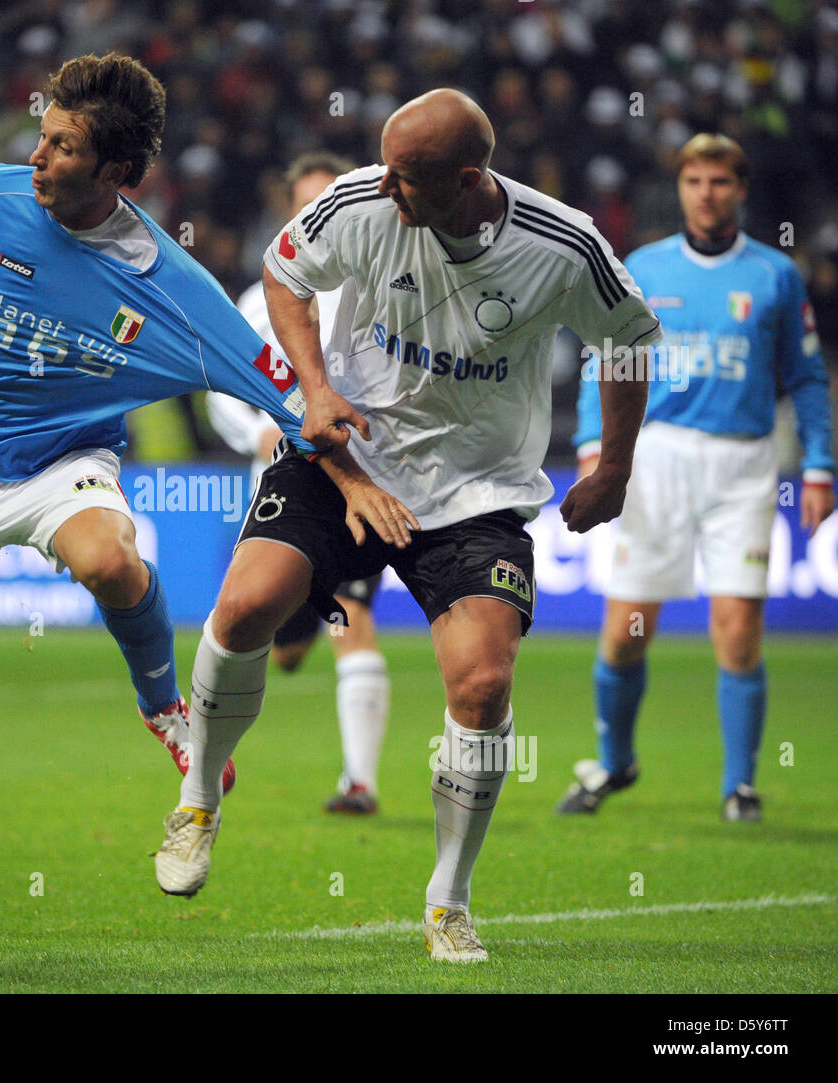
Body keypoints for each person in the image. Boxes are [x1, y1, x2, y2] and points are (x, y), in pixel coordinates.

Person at [152, 88, 662, 964]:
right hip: (347, 455)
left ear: (469, 179)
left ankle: (448, 902)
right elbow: (282, 276)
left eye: (409, 175)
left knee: (481, 685)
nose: (386, 186)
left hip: (476, 491)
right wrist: (315, 388)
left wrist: (611, 463)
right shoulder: (359, 201)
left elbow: (627, 338)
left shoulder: (566, 244)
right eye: (384, 164)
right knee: (244, 610)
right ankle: (199, 797)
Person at [0, 53, 326, 811]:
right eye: (42, 135)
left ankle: (165, 710)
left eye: (62, 147)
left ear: (117, 170)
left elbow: (281, 387)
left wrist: (347, 458)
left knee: (112, 562)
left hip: (64, 464)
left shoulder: (172, 288)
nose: (38, 157)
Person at [558, 133, 834, 823]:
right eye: (694, 181)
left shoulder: (775, 274)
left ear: (740, 189)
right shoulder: (643, 266)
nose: (706, 192)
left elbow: (805, 375)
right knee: (627, 629)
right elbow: (608, 355)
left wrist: (821, 464)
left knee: (737, 625)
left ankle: (739, 785)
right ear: (680, 189)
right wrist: (594, 443)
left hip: (744, 460)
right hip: (654, 457)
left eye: (719, 181)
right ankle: (614, 761)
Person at [206, 152, 391, 815]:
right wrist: (255, 433)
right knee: (272, 643)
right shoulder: (260, 301)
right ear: (292, 213)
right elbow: (220, 384)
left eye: (330, 202)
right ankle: (207, 751)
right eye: (307, 204)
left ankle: (360, 782)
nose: (320, 217)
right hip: (281, 489)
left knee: (353, 616)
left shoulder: (379, 289)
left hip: (358, 483)